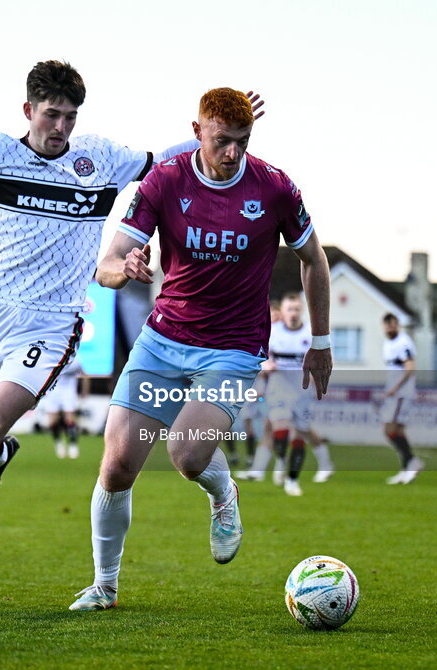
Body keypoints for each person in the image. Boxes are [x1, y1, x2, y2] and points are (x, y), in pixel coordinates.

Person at [0, 61, 241, 576]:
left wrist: (214, 133)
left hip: (53, 323)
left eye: (70, 117)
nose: (61, 127)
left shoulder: (98, 157)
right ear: (28, 110)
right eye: (52, 114)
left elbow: (166, 158)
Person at [69, 87, 332, 611]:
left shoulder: (276, 188)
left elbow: (313, 259)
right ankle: (104, 586)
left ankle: (223, 492)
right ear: (197, 132)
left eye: (242, 141)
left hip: (234, 350)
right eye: (222, 141)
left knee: (188, 455)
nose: (232, 152)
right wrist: (126, 269)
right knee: (117, 463)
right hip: (164, 340)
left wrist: (321, 341)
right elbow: (107, 262)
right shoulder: (164, 181)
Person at [262, 292, 334, 495]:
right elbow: (260, 355)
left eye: (296, 309)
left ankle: (292, 480)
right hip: (278, 388)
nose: (293, 313)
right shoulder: (272, 331)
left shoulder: (311, 335)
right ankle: (282, 459)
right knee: (281, 429)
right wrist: (266, 364)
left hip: (302, 392)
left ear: (301, 310)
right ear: (282, 312)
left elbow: (324, 360)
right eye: (289, 309)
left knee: (300, 435)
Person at [381, 313, 424, 484]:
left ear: (397, 325)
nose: (390, 328)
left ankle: (412, 461)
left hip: (400, 394)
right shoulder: (387, 343)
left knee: (388, 429)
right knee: (398, 431)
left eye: (392, 324)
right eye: (387, 325)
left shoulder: (404, 342)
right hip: (394, 393)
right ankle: (406, 468)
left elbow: (410, 367)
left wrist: (395, 388)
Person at [41, 356, 87, 459]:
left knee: (70, 419)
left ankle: (73, 444)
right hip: (53, 392)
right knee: (52, 422)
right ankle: (58, 442)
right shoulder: (52, 356)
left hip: (68, 392)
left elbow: (84, 374)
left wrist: (84, 390)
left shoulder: (75, 359)